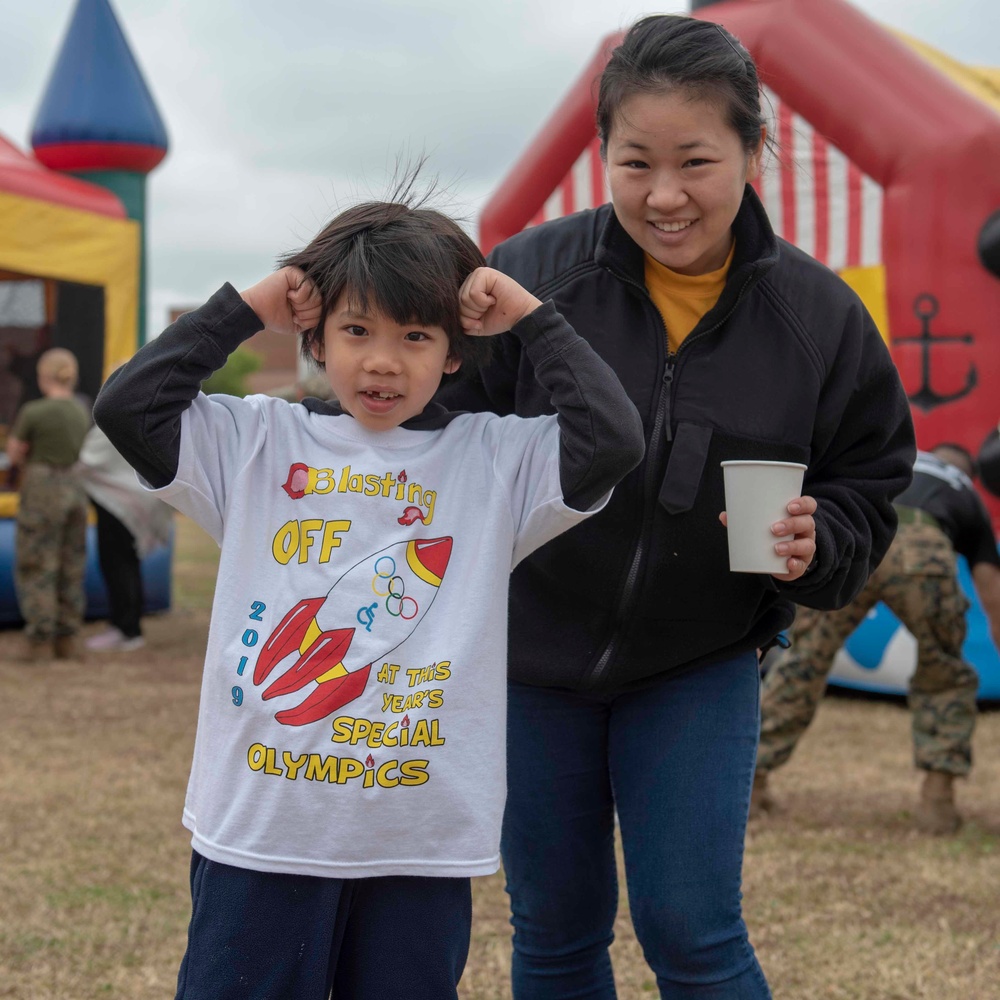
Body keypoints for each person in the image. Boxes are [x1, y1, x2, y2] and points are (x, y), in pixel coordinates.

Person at [436, 15, 915, 999]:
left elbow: (870, 476)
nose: (663, 195)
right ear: (602, 155)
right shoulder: (530, 273)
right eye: (634, 162)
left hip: (697, 667)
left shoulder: (818, 317)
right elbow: (439, 421)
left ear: (752, 152)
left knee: (691, 929)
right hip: (526, 664)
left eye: (696, 161)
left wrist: (817, 540)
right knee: (556, 931)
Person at [93, 189, 644, 1000]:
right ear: (314, 334)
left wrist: (530, 315)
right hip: (262, 831)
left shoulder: (492, 460)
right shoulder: (254, 440)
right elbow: (128, 407)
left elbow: (611, 438)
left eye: (415, 337)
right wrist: (250, 306)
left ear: (455, 351)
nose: (382, 361)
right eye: (356, 331)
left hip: (416, 843)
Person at [753, 445, 1000, 835]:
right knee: (945, 672)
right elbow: (992, 592)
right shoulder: (965, 493)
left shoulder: (897, 459)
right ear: (967, 472)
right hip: (925, 549)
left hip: (864, 540)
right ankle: (938, 802)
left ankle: (753, 783)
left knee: (803, 664)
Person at [6, 347, 90, 661]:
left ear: (43, 377)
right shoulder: (82, 410)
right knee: (72, 563)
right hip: (76, 488)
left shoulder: (34, 411)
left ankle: (40, 641)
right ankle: (67, 639)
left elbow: (15, 451)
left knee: (37, 563)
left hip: (42, 489)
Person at [76, 422, 174, 652]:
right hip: (133, 501)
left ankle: (126, 630)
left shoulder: (111, 420)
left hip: (120, 506)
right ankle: (127, 627)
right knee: (127, 564)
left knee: (118, 566)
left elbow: (87, 461)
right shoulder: (139, 420)